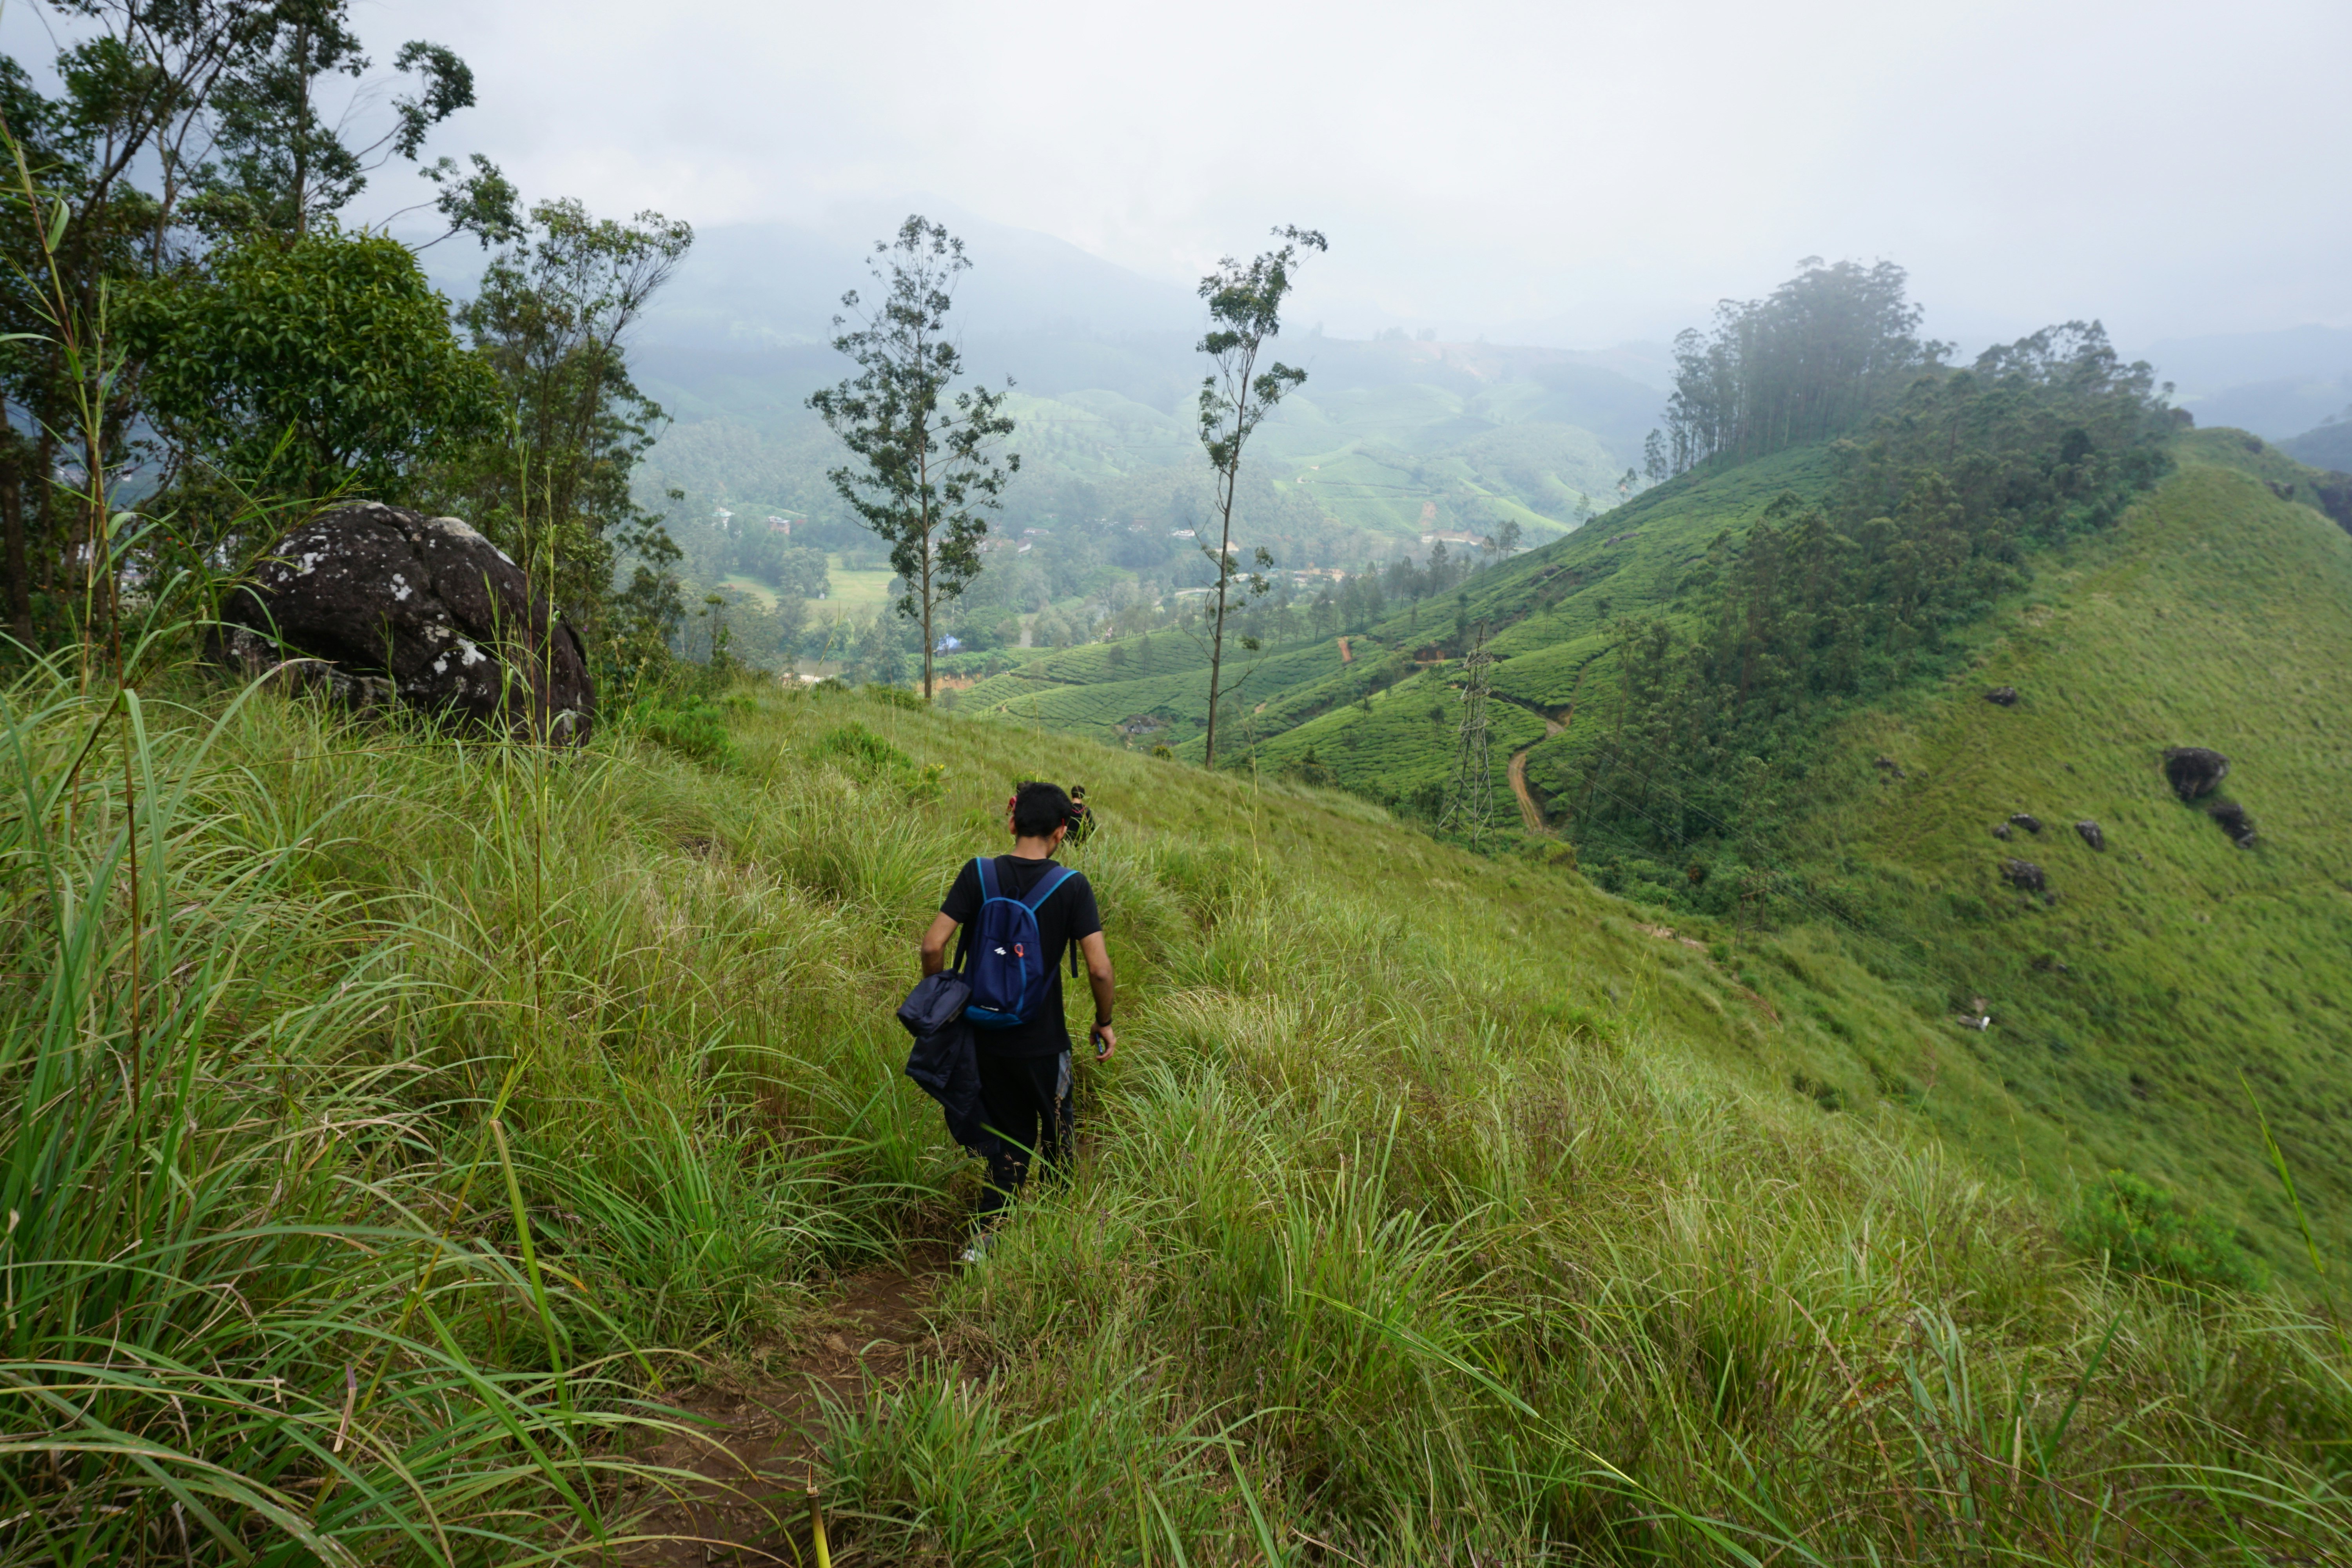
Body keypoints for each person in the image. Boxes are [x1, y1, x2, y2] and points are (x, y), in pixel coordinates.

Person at [920, 781, 1115, 1260]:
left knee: (1007, 1136)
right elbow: (1100, 968)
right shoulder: (1072, 886)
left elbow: (932, 946)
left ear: (1012, 822)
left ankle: (986, 1239)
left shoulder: (978, 874)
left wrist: (942, 1001)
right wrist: (1104, 1020)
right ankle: (1055, 1242)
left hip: (984, 1038)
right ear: (1062, 832)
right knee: (1057, 1133)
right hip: (1044, 1043)